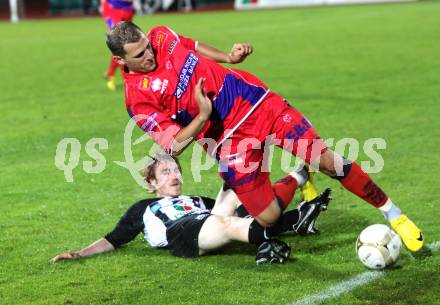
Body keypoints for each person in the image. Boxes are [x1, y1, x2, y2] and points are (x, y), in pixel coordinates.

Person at [105, 21, 424, 253]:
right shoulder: (138, 100)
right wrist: (202, 116)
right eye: (140, 54)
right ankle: (301, 176)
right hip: (227, 140)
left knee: (327, 159)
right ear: (120, 61)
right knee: (269, 217)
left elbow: (192, 45)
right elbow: (171, 144)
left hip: (256, 103)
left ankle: (395, 216)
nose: (151, 54)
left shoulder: (162, 35)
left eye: (148, 46)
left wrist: (228, 58)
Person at [49, 154, 331, 264]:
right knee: (225, 224)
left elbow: (246, 214)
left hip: (207, 222)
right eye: (165, 172)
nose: (174, 176)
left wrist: (287, 215)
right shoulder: (143, 209)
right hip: (182, 234)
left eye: (176, 170)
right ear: (151, 183)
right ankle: (297, 183)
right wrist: (78, 254)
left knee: (237, 184)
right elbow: (113, 240)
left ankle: (297, 216)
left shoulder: (198, 200)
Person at [101, 0, 135, 91]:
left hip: (128, 9)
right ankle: (127, 78)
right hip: (112, 8)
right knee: (119, 41)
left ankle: (110, 74)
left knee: (125, 41)